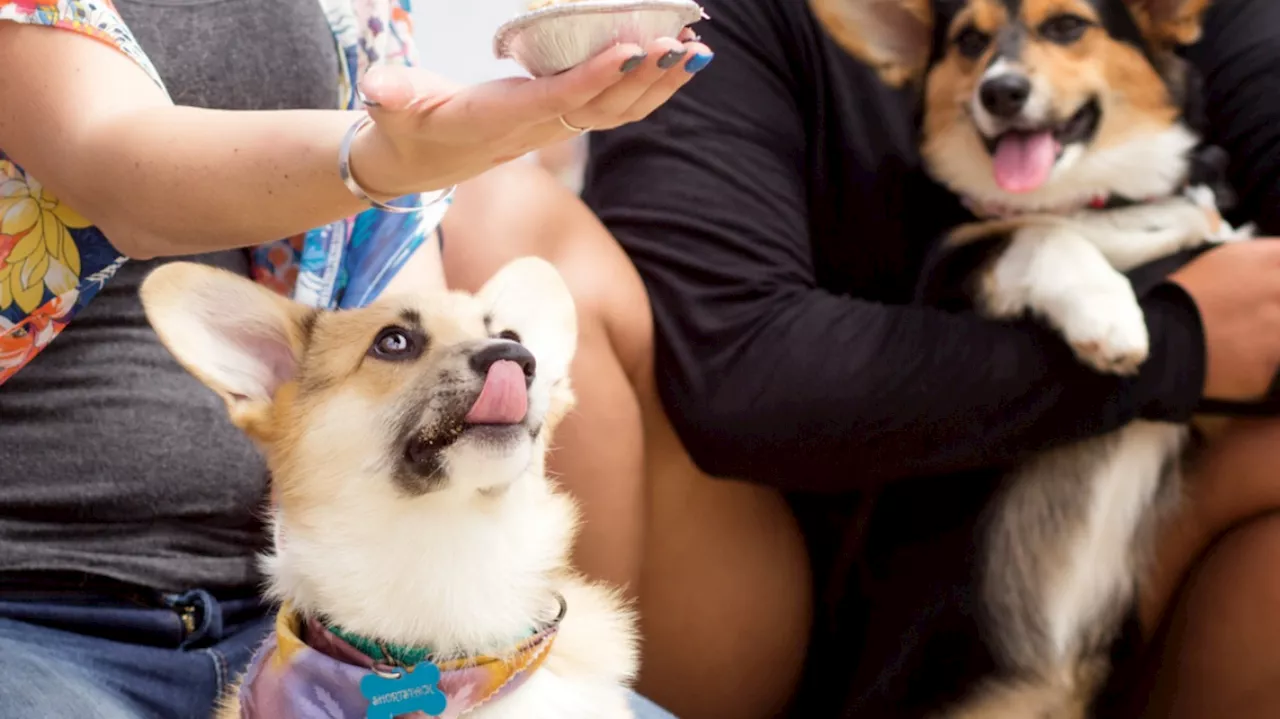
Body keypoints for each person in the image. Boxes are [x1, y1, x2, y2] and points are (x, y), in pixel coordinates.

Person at [442, 0, 1280, 717]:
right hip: (759, 582)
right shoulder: (736, 21)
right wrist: (1180, 347)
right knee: (494, 224)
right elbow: (739, 374)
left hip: (1115, 571)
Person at [0, 0, 710, 716]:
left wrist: (494, 133)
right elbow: (116, 162)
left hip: (304, 635)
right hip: (32, 617)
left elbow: (393, 272)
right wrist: (386, 156)